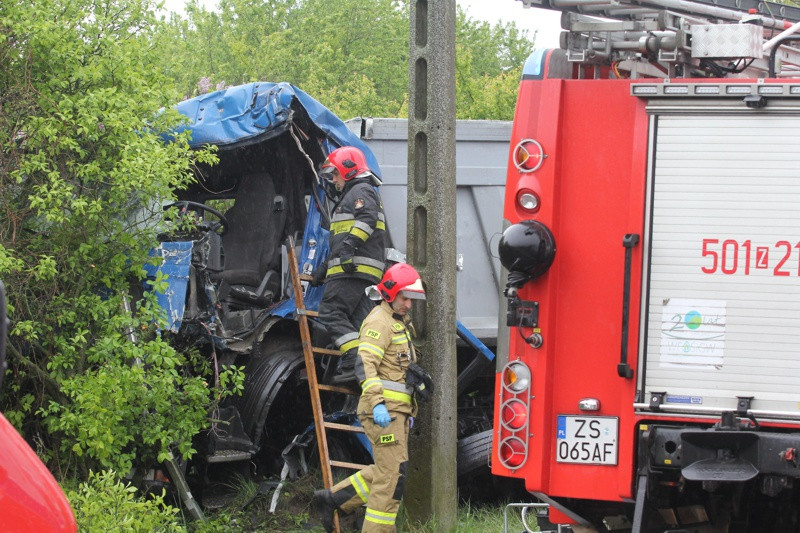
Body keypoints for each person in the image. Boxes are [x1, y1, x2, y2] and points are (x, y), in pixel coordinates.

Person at [312, 263, 426, 533]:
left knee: (388, 469)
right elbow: (365, 365)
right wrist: (377, 404)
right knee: (391, 478)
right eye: (405, 298)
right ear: (390, 293)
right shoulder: (379, 321)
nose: (409, 304)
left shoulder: (398, 323)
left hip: (397, 412)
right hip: (383, 411)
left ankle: (333, 500)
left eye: (412, 299)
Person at [312, 146, 387, 384]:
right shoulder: (359, 192)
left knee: (331, 311)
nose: (333, 180)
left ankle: (353, 358)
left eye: (335, 174)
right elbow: (343, 238)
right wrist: (326, 265)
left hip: (353, 268)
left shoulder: (361, 190)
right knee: (359, 324)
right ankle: (362, 373)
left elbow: (366, 220)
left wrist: (348, 249)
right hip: (360, 269)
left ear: (348, 169)